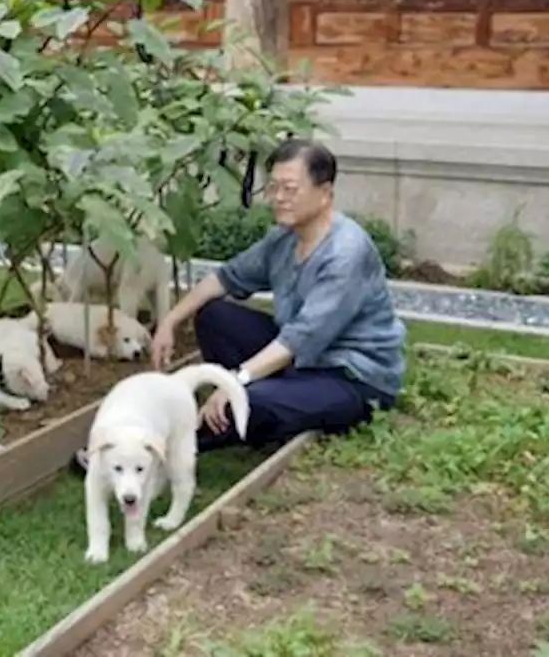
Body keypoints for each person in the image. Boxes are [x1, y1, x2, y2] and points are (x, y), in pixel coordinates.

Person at [70, 138, 406, 473]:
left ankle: (147, 451)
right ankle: (262, 403)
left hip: (351, 378)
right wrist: (169, 321)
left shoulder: (345, 253)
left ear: (325, 193)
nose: (278, 198)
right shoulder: (284, 239)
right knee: (214, 316)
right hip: (301, 361)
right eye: (273, 188)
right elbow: (226, 278)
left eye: (290, 189)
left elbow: (300, 339)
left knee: (246, 400)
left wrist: (236, 381)